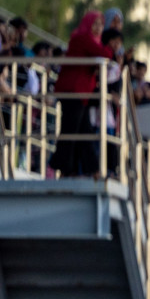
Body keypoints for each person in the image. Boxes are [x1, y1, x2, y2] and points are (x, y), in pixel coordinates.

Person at [51, 12, 113, 178]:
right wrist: (110, 47)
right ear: (87, 24)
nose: (99, 28)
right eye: (95, 24)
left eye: (101, 25)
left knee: (82, 132)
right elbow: (105, 54)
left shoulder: (87, 41)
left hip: (80, 93)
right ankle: (66, 169)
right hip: (73, 91)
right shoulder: (83, 39)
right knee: (72, 131)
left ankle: (89, 170)